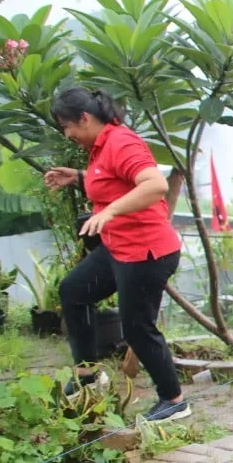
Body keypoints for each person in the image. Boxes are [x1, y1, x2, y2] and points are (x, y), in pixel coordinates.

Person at [44, 88, 190, 423]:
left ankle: (174, 399)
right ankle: (88, 377)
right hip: (118, 247)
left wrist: (109, 212)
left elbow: (153, 185)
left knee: (137, 328)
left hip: (146, 252)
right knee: (73, 291)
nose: (68, 134)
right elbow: (112, 181)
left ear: (85, 118)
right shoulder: (100, 145)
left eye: (68, 126)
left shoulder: (121, 142)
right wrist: (77, 177)